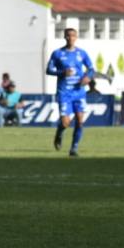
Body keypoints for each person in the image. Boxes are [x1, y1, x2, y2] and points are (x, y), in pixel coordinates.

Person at [45, 28, 95, 157]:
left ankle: (74, 148)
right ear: (65, 37)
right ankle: (59, 133)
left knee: (80, 121)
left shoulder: (82, 53)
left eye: (73, 35)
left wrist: (87, 78)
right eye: (68, 35)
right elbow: (49, 70)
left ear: (76, 37)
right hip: (64, 92)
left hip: (79, 92)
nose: (71, 38)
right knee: (65, 122)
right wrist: (62, 73)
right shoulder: (57, 53)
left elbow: (91, 68)